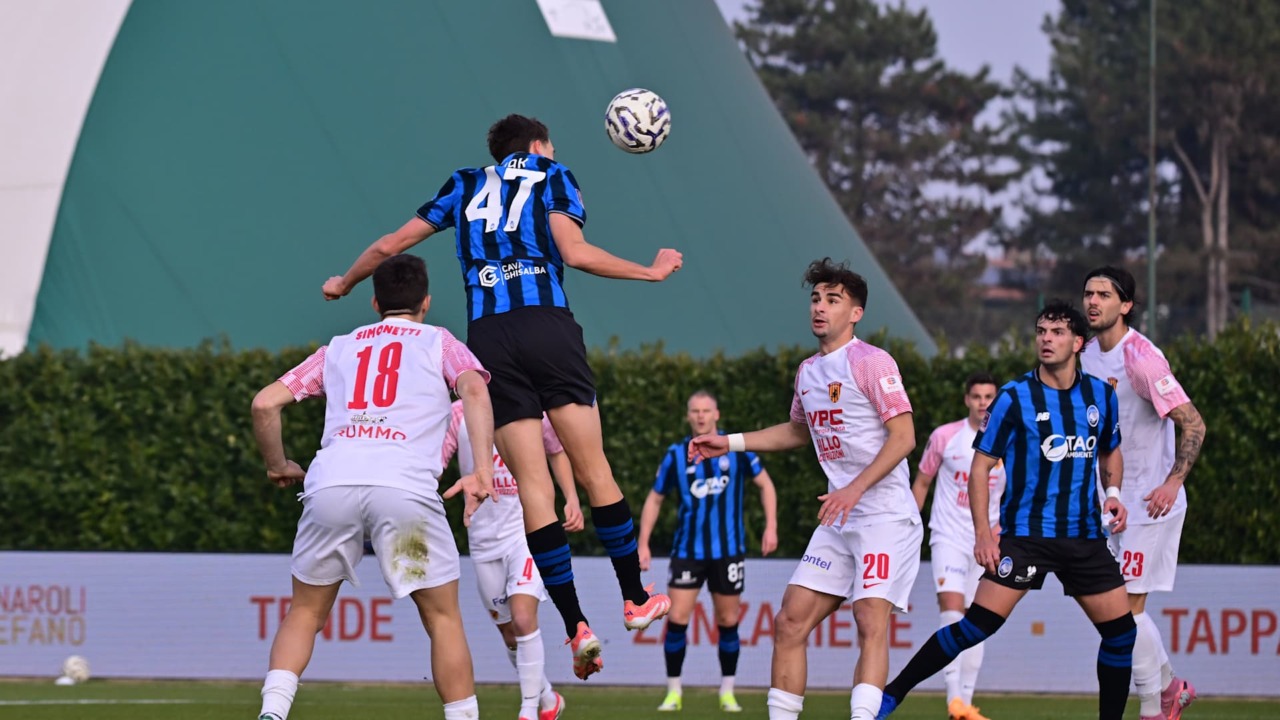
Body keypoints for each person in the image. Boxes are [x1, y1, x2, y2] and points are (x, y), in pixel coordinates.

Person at [321, 113, 678, 679]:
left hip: (489, 336)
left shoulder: (464, 183)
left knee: (534, 487)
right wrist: (651, 272)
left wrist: (344, 281)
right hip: (545, 325)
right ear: (537, 145)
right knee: (593, 469)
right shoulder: (552, 174)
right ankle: (635, 599)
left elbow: (392, 244)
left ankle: (575, 625)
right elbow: (577, 253)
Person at [250, 254, 494, 720]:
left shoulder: (339, 347)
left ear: (375, 301)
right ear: (426, 302)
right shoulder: (440, 343)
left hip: (332, 486)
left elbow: (265, 405)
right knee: (442, 619)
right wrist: (481, 470)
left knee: (305, 612)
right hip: (404, 492)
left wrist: (278, 464)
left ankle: (272, 713)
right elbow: (476, 391)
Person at [877, 300, 1135, 720]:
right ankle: (891, 695)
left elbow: (1110, 451)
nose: (1046, 340)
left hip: (1085, 537)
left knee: (1122, 636)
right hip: (1027, 537)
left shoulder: (1101, 396)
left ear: (1078, 342)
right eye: (1041, 331)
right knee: (976, 626)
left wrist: (1115, 494)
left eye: (1057, 332)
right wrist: (984, 533)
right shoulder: (1015, 397)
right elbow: (981, 467)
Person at [689, 258, 923, 720]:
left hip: (885, 516)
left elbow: (905, 436)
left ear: (855, 312)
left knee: (870, 620)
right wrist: (730, 442)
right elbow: (799, 431)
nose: (820, 307)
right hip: (840, 517)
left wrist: (853, 489)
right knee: (790, 620)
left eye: (833, 300)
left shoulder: (872, 362)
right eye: (816, 298)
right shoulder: (808, 372)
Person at [1081, 266, 1206, 720]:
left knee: (1123, 612)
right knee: (1116, 612)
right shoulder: (1086, 355)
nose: (1093, 302)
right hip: (1108, 502)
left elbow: (1193, 423)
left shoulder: (1142, 360)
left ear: (1126, 305)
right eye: (1089, 293)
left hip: (1150, 502)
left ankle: (1155, 708)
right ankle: (1171, 687)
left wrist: (1173, 483)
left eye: (1104, 295)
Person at [638, 390, 780, 713]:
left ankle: (727, 691)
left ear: (716, 414)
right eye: (694, 411)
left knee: (728, 620)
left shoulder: (737, 450)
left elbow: (766, 485)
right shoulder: (676, 454)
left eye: (706, 410)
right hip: (688, 551)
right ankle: (673, 692)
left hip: (728, 552)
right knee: (676, 617)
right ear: (688, 416)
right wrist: (643, 541)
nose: (700, 416)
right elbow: (655, 498)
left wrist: (771, 525)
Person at [441, 400, 580, 720]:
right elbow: (436, 460)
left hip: (526, 532)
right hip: (482, 540)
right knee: (509, 633)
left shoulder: (527, 403)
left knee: (522, 616)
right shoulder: (458, 414)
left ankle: (528, 711)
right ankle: (547, 698)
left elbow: (555, 449)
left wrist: (570, 496)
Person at [910, 372, 1005, 720]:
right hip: (947, 536)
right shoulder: (944, 437)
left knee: (976, 622)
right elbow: (922, 482)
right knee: (951, 611)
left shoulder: (1009, 442)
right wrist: (907, 528)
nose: (983, 403)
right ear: (967, 399)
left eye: (989, 397)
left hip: (986, 542)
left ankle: (965, 702)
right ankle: (954, 701)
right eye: (977, 396)